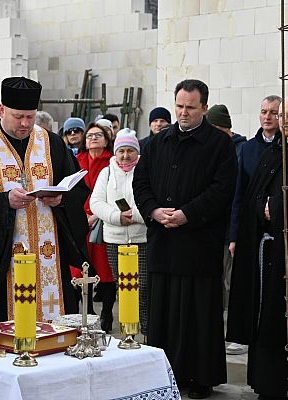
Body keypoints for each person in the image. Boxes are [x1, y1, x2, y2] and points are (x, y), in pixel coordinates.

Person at [0, 76, 89, 344]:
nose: (25, 124)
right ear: (2, 110)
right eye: (18, 116)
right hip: (1, 272)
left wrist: (61, 200)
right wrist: (3, 202)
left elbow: (76, 190)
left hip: (50, 264)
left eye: (30, 116)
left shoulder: (52, 145)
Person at [133, 79, 237, 399]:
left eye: (190, 107)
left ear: (204, 107)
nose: (183, 113)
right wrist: (153, 211)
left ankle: (200, 376)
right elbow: (141, 183)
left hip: (198, 243)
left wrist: (187, 214)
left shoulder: (219, 146)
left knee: (198, 312)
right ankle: (164, 372)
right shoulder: (157, 142)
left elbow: (222, 190)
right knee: (163, 310)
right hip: (164, 242)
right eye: (179, 106)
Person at [226, 100, 288, 400]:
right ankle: (268, 383)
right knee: (267, 318)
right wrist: (262, 208)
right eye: (281, 115)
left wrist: (274, 207)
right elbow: (249, 196)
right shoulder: (269, 154)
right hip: (268, 252)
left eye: (281, 115)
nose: (280, 120)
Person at [91, 128, 147, 336]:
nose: (125, 156)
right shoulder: (107, 172)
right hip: (115, 239)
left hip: (141, 237)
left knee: (144, 287)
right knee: (123, 288)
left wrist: (136, 215)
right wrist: (116, 216)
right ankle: (128, 331)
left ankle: (147, 328)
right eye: (121, 150)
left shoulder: (145, 169)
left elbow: (153, 200)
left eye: (130, 151)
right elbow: (96, 202)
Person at [205, 104, 248, 352]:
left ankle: (236, 333)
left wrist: (234, 234)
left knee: (232, 283)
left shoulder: (240, 149)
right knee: (216, 283)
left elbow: (237, 195)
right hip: (212, 228)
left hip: (231, 228)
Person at [228, 95, 282, 260]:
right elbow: (239, 194)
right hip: (251, 225)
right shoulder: (248, 148)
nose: (267, 117)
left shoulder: (283, 149)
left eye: (273, 112)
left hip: (278, 225)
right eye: (264, 112)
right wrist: (234, 236)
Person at [75, 121, 115, 332]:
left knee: (105, 270)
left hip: (102, 221)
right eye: (90, 135)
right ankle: (86, 311)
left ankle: (107, 314)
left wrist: (96, 214)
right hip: (80, 221)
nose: (93, 138)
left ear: (107, 139)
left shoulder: (112, 162)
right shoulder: (77, 161)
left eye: (98, 135)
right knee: (81, 270)